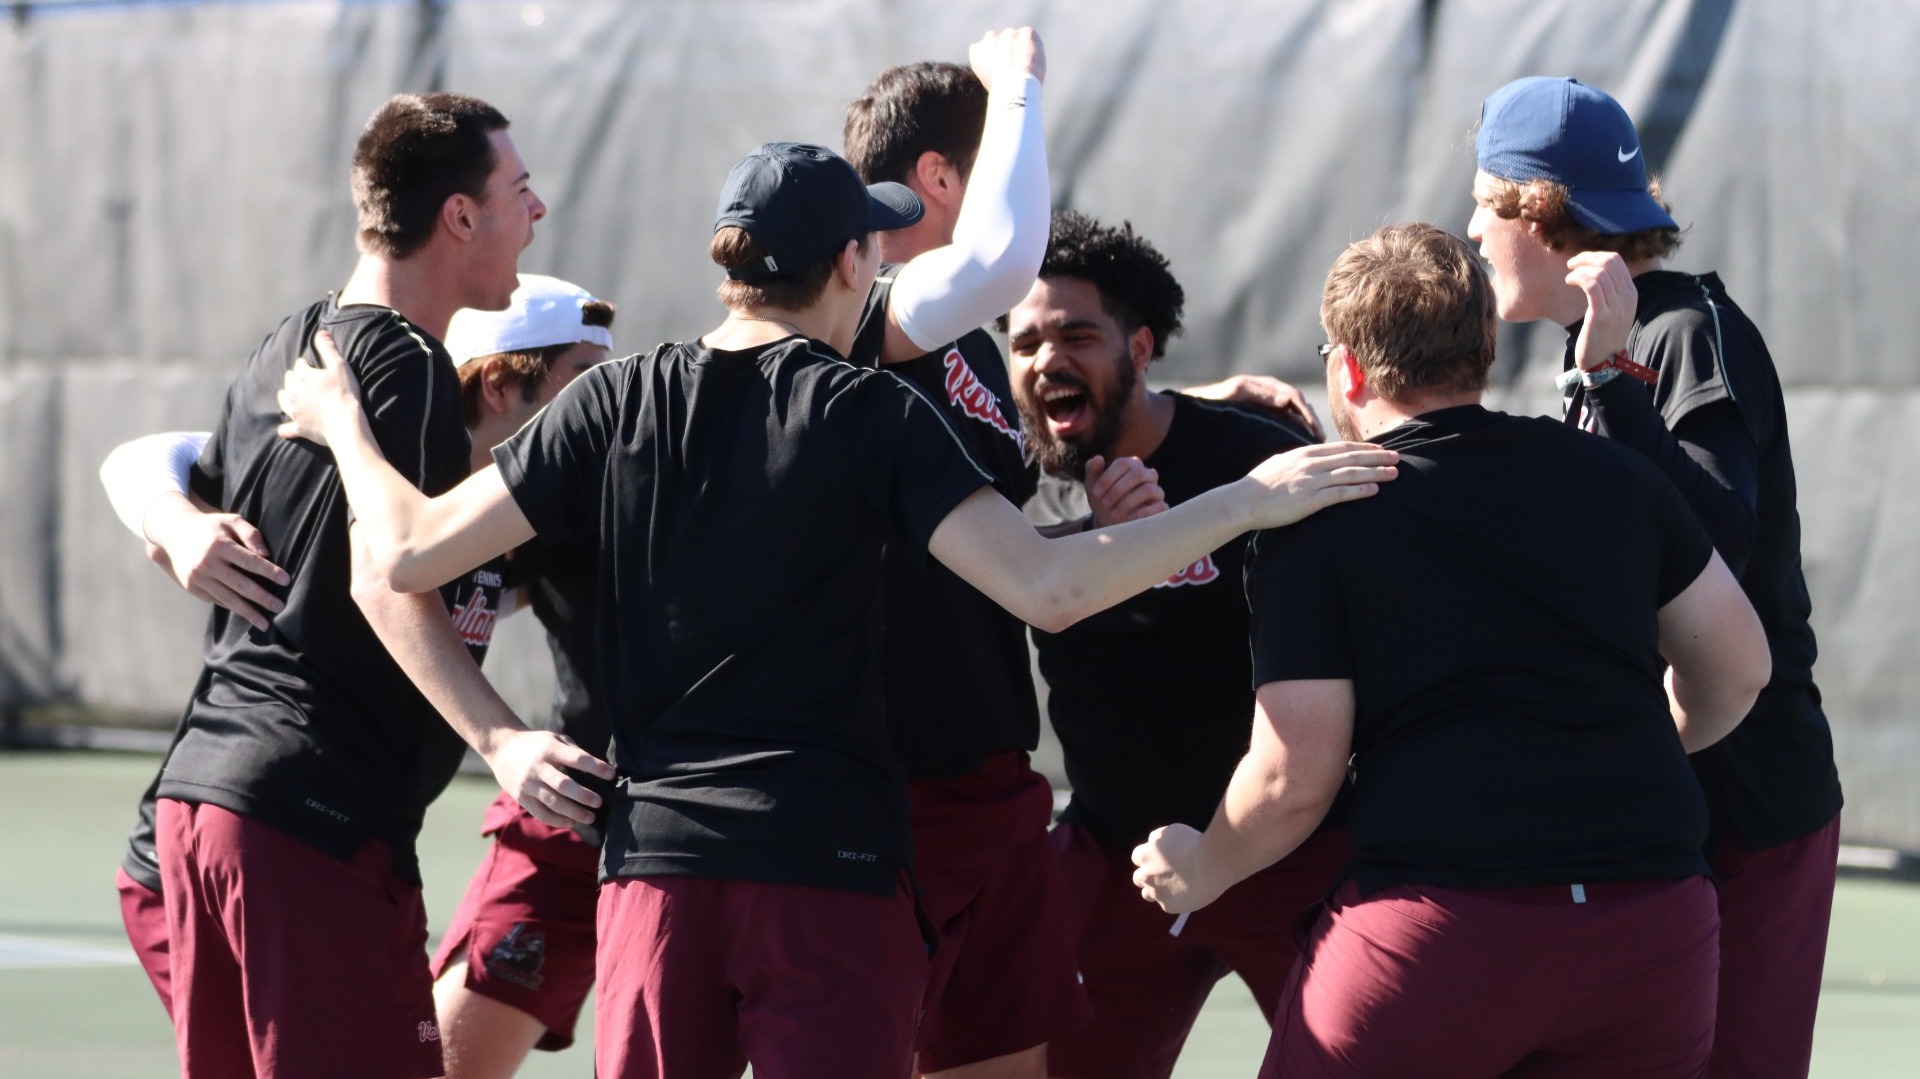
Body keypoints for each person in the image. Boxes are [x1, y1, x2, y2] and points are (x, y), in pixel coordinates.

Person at [274, 138, 1397, 1078]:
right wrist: (1248, 497)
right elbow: (1051, 588)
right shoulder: (870, 415)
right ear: (856, 261)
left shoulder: (615, 396)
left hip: (657, 867)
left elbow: (410, 549)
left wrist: (347, 431)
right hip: (828, 869)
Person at [1134, 222, 1773, 1077]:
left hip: (1441, 925)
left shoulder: (1318, 519)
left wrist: (1201, 866)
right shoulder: (1614, 474)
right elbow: (1739, 668)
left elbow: (1292, 780)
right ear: (1482, 349)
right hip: (1653, 931)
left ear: (1346, 370)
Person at [119, 92, 611, 1079]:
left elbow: (176, 471)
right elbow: (389, 575)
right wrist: (501, 738)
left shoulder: (288, 346)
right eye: (519, 190)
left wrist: (163, 514)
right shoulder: (415, 369)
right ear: (459, 217)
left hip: (201, 803)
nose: (539, 210)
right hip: (309, 824)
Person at [1467, 76, 1843, 1078]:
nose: (1470, 228)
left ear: (1539, 213)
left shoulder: (1678, 333)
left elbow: (1715, 529)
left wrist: (1608, 380)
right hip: (1651, 806)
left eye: (1485, 199)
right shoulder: (1604, 353)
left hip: (1749, 806)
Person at [1003, 210, 1336, 1079]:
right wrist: (1107, 552)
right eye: (1024, 340)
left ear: (1141, 348)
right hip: (1117, 863)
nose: (1046, 360)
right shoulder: (1004, 490)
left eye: (1077, 334)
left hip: (1285, 855)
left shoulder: (1259, 462)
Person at [841, 48, 1089, 1079]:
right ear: (942, 178)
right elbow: (999, 258)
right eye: (1000, 160)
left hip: (991, 776)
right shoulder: (859, 309)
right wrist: (1019, 87)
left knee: (998, 1057)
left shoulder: (969, 346)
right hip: (888, 792)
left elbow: (992, 546)